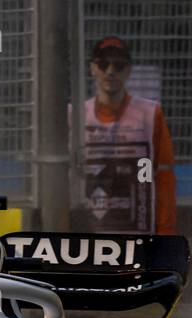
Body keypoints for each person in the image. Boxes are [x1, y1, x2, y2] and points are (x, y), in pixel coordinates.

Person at [71, 36, 177, 234]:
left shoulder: (150, 114)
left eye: (118, 65)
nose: (110, 71)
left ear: (128, 70)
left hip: (137, 233)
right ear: (93, 68)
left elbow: (164, 179)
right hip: (87, 236)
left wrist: (165, 236)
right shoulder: (75, 116)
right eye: (103, 64)